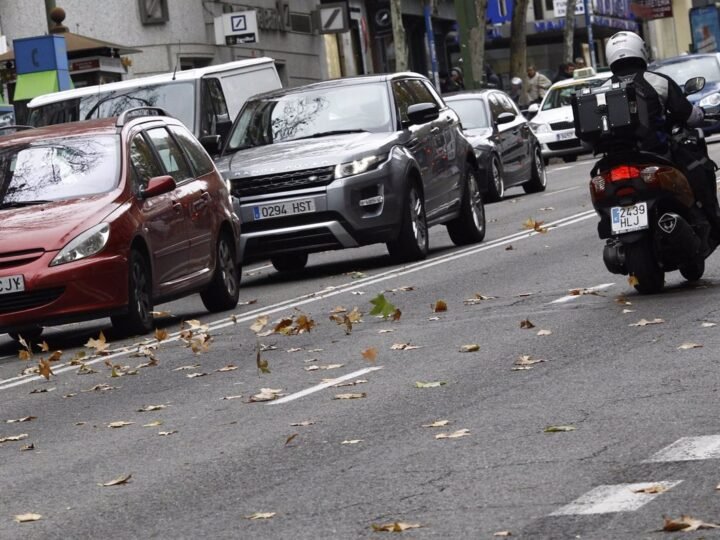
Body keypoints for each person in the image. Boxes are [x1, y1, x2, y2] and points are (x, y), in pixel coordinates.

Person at [604, 30, 720, 233]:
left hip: (613, 160)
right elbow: (689, 115)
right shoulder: (658, 81)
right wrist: (702, 114)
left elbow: (587, 141)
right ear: (641, 50)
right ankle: (713, 222)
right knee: (699, 168)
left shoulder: (601, 89)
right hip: (657, 153)